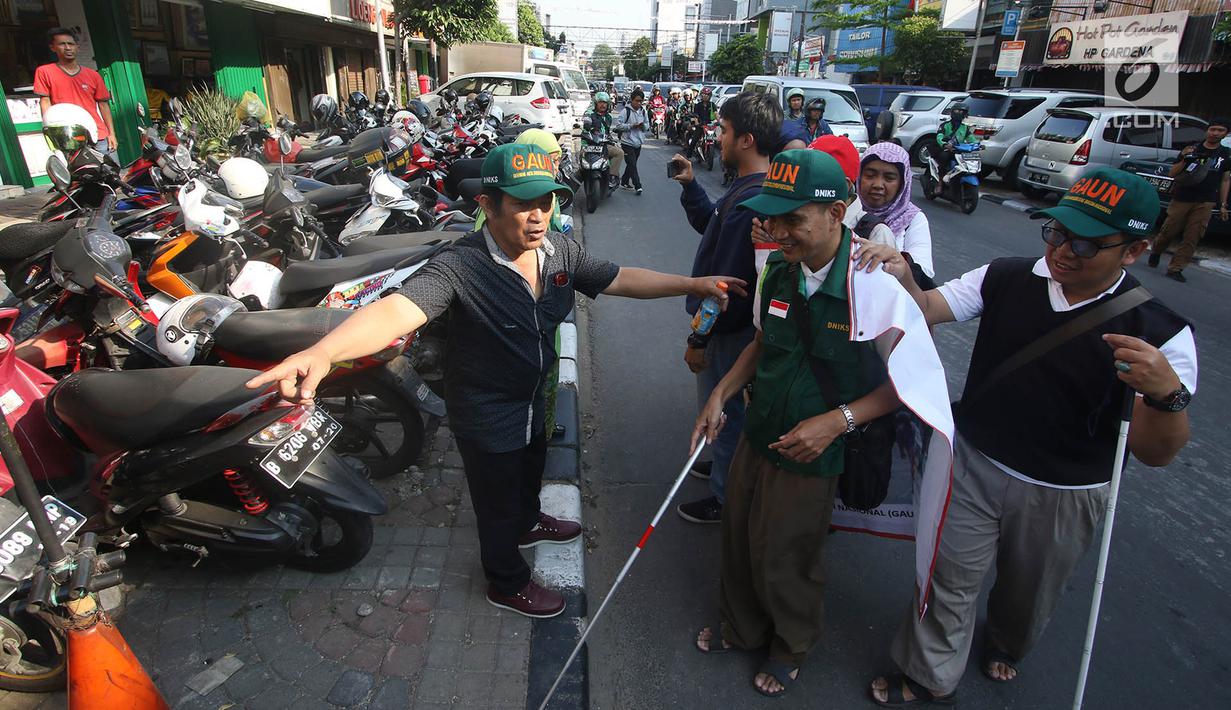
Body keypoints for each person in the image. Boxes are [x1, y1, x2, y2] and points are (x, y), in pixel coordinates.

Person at [248, 143, 745, 619]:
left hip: (534, 399)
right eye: (522, 204)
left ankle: (531, 520)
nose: (537, 216)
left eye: (546, 201)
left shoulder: (557, 253)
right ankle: (506, 581)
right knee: (496, 504)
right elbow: (398, 311)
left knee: (530, 473)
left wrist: (691, 283)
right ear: (488, 205)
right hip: (487, 412)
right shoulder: (462, 266)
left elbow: (617, 278)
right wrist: (324, 352)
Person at [857, 166, 1197, 706]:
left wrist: (1165, 395)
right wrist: (902, 275)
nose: (1064, 250)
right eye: (1057, 231)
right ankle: (930, 673)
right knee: (949, 575)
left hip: (1066, 491)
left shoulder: (1162, 335)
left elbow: (1155, 453)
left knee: (1028, 590)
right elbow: (926, 309)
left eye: (1086, 242)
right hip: (974, 461)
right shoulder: (1007, 276)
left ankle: (1007, 644)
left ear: (1133, 251)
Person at [692, 149, 948, 699]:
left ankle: (790, 644)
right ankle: (742, 627)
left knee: (786, 552)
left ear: (837, 212)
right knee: (738, 537)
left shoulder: (875, 284)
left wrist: (838, 421)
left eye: (793, 219)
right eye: (772, 217)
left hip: (815, 451)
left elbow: (912, 384)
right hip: (759, 431)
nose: (777, 231)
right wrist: (720, 393)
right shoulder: (776, 271)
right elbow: (762, 344)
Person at [670, 91, 781, 525]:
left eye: (724, 130)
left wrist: (699, 338)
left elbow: (726, 289)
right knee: (724, 412)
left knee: (727, 412)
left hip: (730, 333)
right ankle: (721, 468)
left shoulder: (752, 202)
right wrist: (691, 185)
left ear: (747, 139)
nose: (717, 137)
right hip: (733, 330)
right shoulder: (748, 190)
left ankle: (725, 497)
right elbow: (711, 223)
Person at [1148, 116, 1231, 282]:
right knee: (1168, 231)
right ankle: (1156, 250)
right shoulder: (1192, 148)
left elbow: (1225, 179)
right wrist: (1186, 158)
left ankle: (1176, 268)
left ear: (1226, 134)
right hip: (1183, 197)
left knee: (1193, 236)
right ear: (1207, 131)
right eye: (1212, 129)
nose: (1215, 133)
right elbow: (1173, 173)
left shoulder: (1225, 154)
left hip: (1206, 200)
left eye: (1220, 130)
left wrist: (1223, 204)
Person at [857, 142, 935, 284]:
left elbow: (924, 270)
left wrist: (895, 259)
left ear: (902, 183)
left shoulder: (912, 219)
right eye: (870, 175)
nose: (878, 185)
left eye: (889, 178)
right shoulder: (846, 210)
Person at [34, 27, 117, 157]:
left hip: (98, 134)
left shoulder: (93, 75)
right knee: (79, 176)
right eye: (62, 44)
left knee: (111, 173)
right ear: (53, 47)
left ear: (77, 47)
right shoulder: (45, 72)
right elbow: (45, 102)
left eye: (71, 44)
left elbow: (103, 105)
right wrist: (52, 135)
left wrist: (111, 134)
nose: (67, 48)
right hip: (69, 136)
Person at [586, 91, 627, 190]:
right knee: (581, 165)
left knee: (620, 153)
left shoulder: (608, 117)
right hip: (589, 144)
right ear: (596, 103)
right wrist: (587, 126)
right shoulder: (589, 114)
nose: (602, 105)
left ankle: (611, 177)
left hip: (604, 145)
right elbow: (586, 122)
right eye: (600, 102)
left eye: (605, 103)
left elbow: (608, 132)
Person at [931, 102, 977, 179]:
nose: (959, 113)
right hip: (948, 150)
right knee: (944, 158)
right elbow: (939, 136)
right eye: (957, 111)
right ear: (952, 112)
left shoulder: (965, 128)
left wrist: (978, 145)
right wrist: (944, 144)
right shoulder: (945, 125)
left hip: (959, 151)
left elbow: (971, 138)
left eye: (962, 112)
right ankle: (940, 182)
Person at [618, 89, 648, 194]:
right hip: (627, 143)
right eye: (637, 101)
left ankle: (624, 181)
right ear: (632, 100)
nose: (639, 103)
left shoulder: (643, 111)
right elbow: (619, 126)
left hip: (638, 142)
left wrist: (642, 126)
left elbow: (647, 125)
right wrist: (631, 126)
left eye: (641, 101)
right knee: (632, 164)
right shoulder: (626, 111)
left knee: (631, 164)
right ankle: (638, 185)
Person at [686, 87, 718, 159]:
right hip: (700, 125)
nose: (705, 96)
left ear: (710, 96)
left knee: (714, 140)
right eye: (704, 94)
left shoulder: (712, 105)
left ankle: (711, 153)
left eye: (707, 95)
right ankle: (688, 156)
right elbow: (695, 115)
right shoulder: (698, 105)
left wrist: (719, 121)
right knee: (694, 141)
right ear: (701, 95)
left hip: (709, 126)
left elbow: (716, 114)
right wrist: (697, 123)